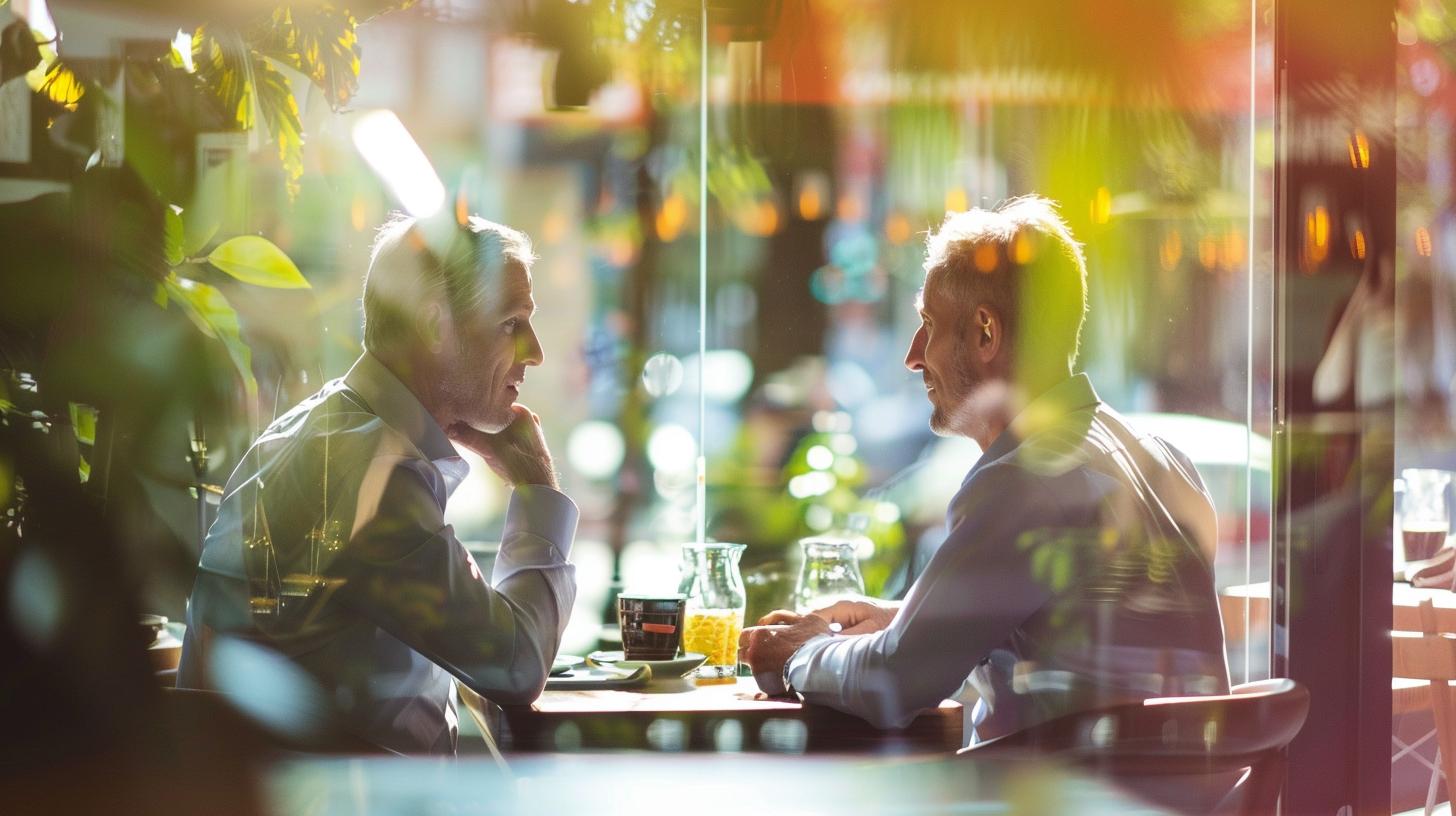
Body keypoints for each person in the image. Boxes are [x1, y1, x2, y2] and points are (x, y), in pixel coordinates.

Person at [740, 195, 1230, 745]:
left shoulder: (1026, 481)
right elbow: (1081, 630)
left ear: (985, 334)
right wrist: (904, 620)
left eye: (928, 324)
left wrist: (800, 653)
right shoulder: (1162, 459)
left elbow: (894, 682)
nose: (912, 354)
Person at [177, 212, 577, 755]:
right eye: (511, 323)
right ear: (436, 327)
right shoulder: (374, 470)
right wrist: (536, 487)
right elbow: (514, 665)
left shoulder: (318, 432)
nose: (535, 351)